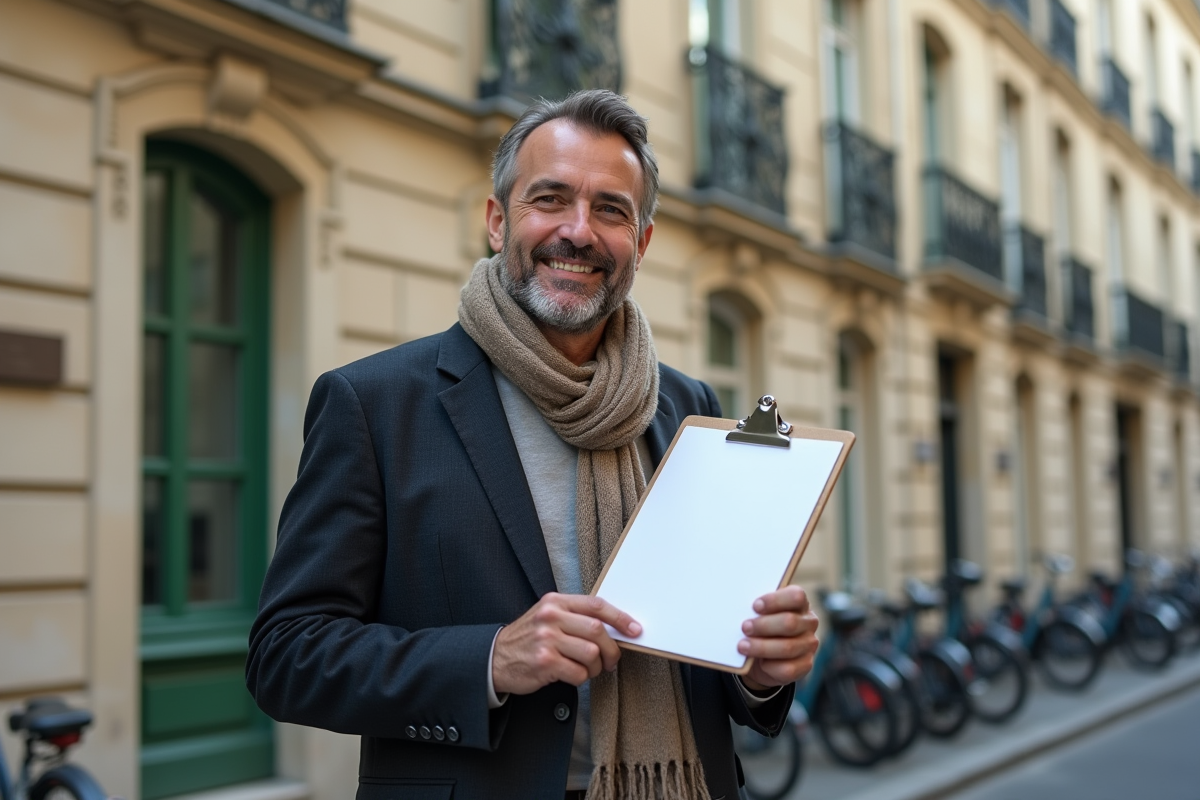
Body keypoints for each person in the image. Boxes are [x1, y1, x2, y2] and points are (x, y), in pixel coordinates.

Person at [247, 89, 819, 800]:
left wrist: (760, 672)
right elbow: (287, 657)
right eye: (549, 199)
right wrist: (488, 659)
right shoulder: (374, 403)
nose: (578, 231)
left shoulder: (688, 407)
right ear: (497, 220)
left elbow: (707, 645)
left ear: (639, 245)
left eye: (611, 209)